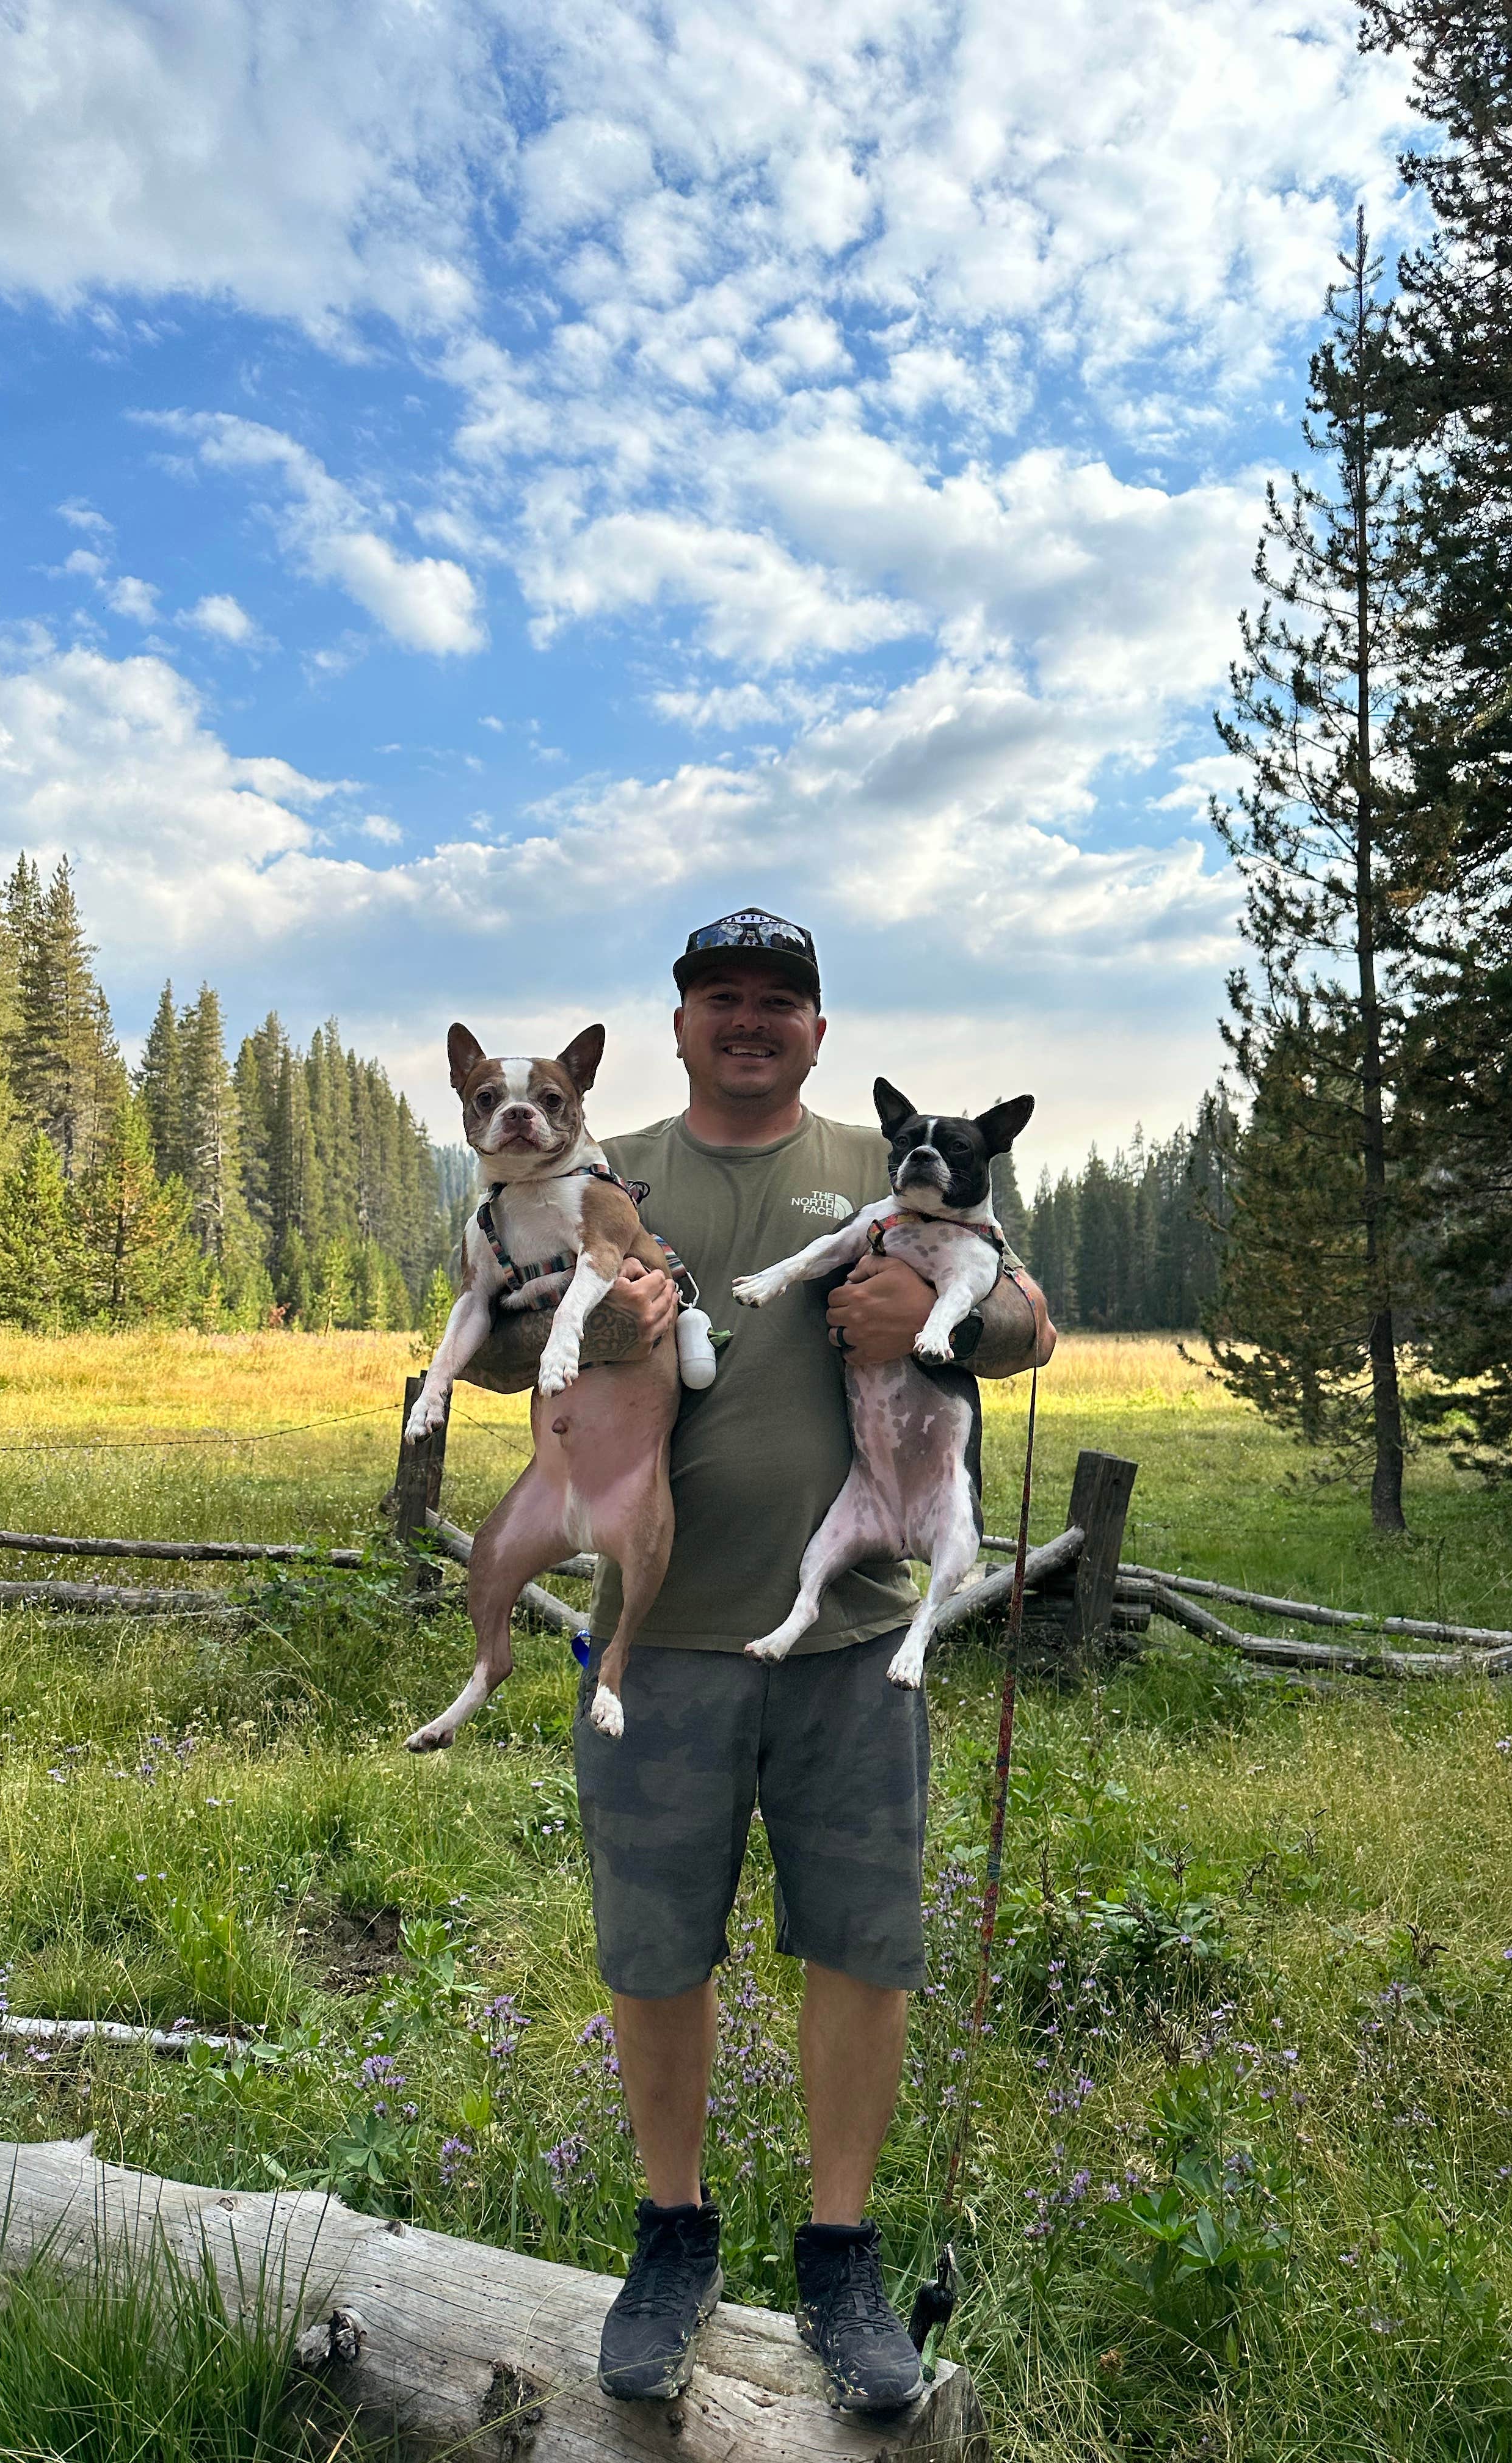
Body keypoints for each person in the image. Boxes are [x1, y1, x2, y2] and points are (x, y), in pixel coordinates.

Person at [459, 908, 1053, 2413]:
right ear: (674, 1027)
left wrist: (941, 1317)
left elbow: (1032, 1324)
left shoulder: (892, 1168)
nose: (747, 1020)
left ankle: (839, 2255)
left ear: (818, 1032)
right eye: (719, 997)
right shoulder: (595, 1169)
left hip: (854, 1645)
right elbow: (475, 1355)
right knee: (655, 1950)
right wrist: (591, 1324)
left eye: (776, 1001)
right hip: (654, 1641)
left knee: (861, 1947)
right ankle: (675, 2235)